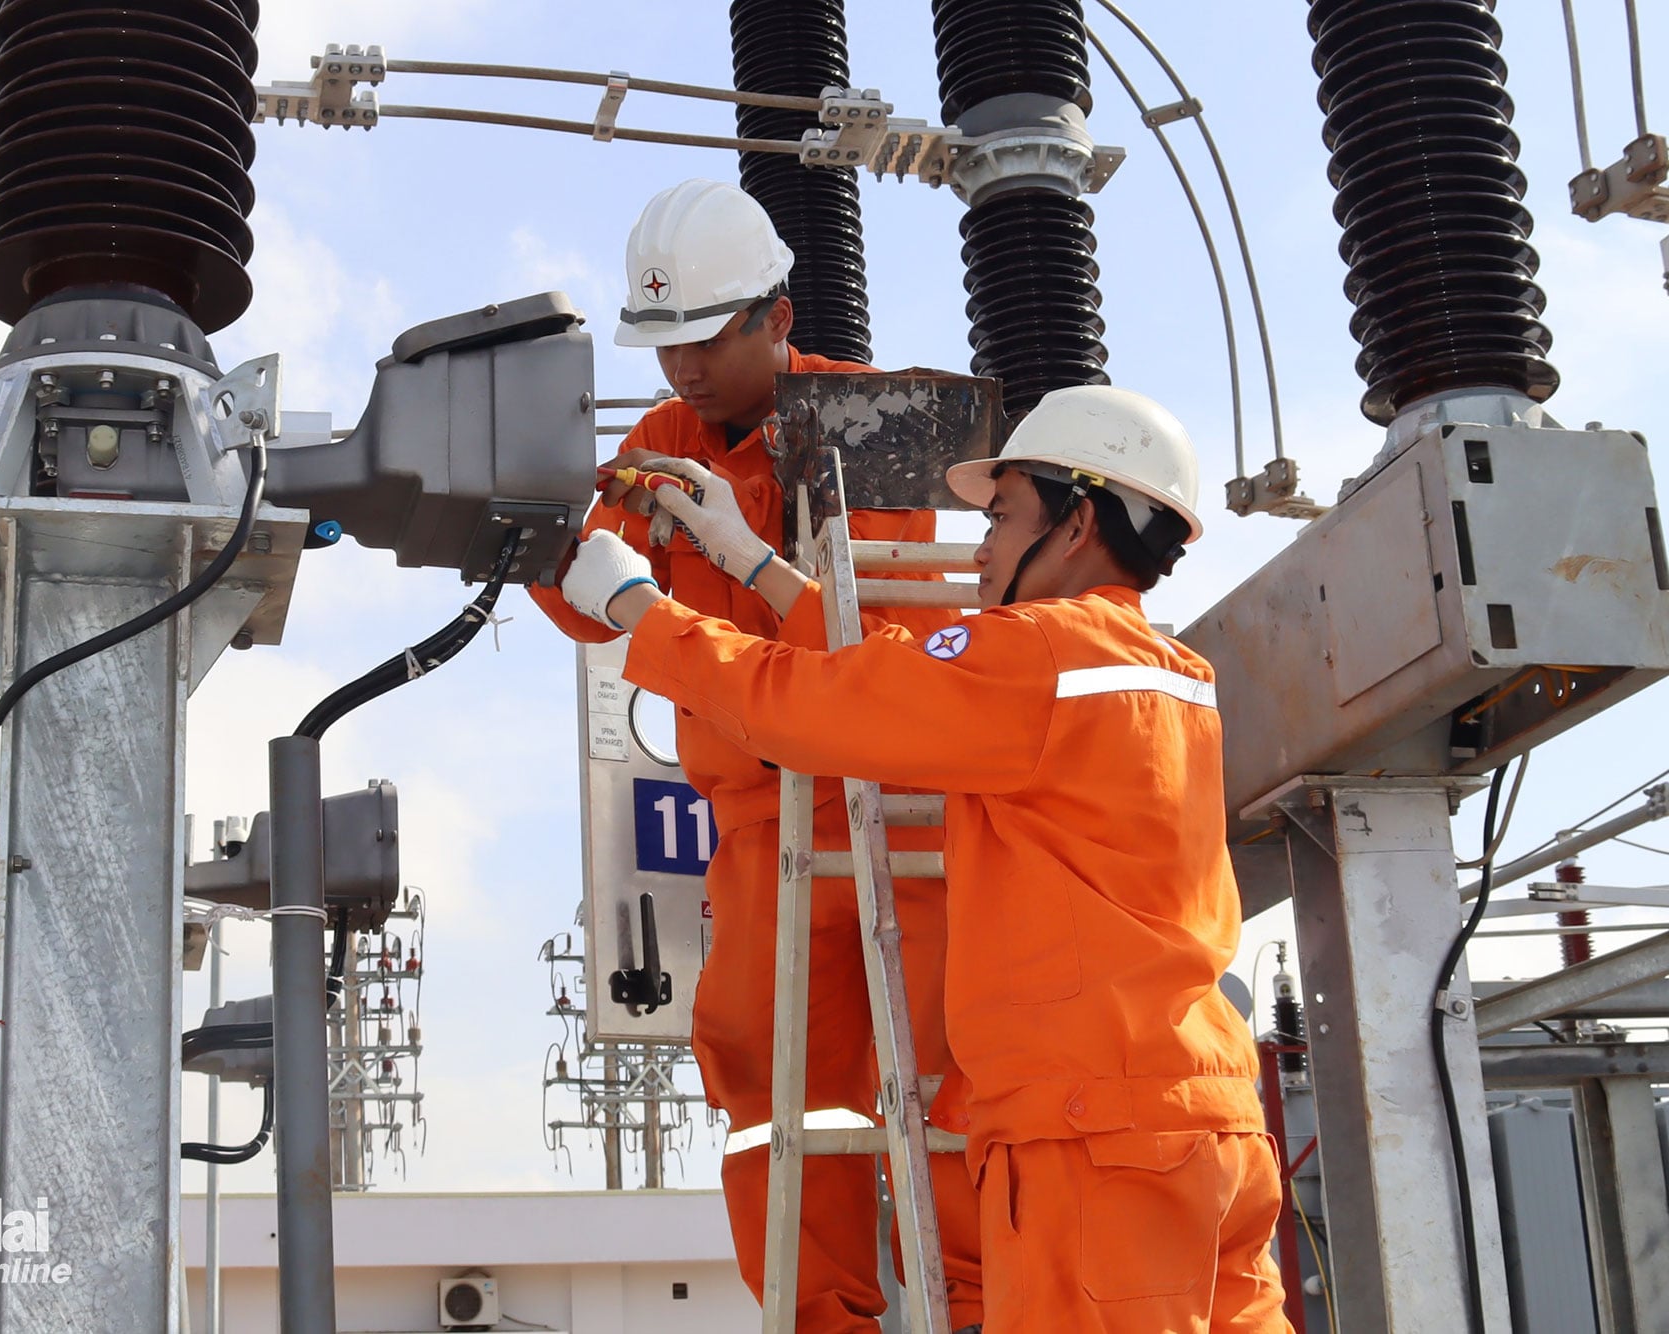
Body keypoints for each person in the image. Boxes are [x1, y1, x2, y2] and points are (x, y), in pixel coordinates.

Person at [559, 384, 1292, 1334]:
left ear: (1076, 522)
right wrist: (752, 562)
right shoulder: (1172, 676)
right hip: (1211, 1125)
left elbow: (815, 709)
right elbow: (913, 678)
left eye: (1002, 515)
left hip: (1090, 1146)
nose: (980, 546)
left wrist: (637, 610)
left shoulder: (1034, 661)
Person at [528, 178, 986, 1333]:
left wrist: (737, 542)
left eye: (698, 341)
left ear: (774, 319)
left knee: (941, 1075)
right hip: (755, 828)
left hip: (897, 813)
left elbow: (871, 656)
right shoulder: (656, 440)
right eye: (662, 344)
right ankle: (820, 1316)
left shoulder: (873, 423)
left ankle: (981, 1307)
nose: (679, 371)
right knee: (762, 1082)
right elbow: (594, 602)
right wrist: (547, 544)